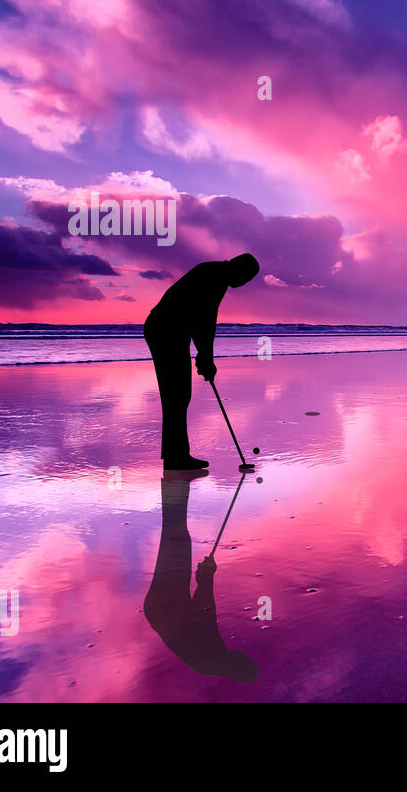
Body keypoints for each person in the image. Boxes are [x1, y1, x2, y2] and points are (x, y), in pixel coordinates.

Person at [143, 253, 259, 470]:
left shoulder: (217, 275)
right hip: (165, 331)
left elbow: (203, 321)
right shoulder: (214, 276)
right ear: (238, 268)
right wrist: (206, 357)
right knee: (176, 394)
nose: (243, 283)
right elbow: (203, 321)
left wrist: (205, 356)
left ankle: (176, 456)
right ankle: (176, 457)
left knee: (178, 394)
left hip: (173, 332)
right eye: (246, 278)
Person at [145, 470, 260, 683]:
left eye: (245, 659)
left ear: (240, 666)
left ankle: (175, 482)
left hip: (166, 607)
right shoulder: (214, 663)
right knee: (176, 538)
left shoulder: (214, 659)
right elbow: (203, 614)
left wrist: (207, 579)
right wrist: (205, 579)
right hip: (165, 608)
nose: (242, 653)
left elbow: (204, 614)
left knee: (176, 539)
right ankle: (176, 483)